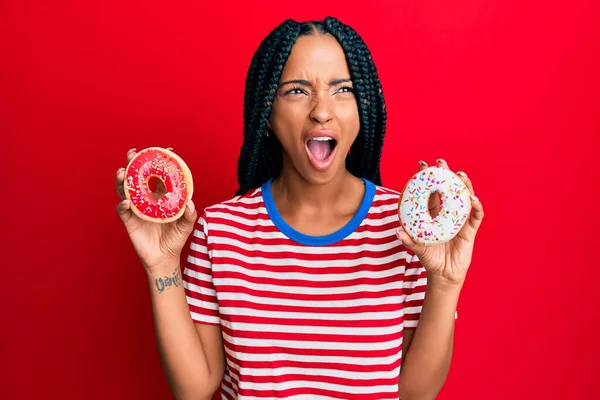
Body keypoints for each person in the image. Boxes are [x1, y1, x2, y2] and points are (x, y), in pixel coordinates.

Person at [115, 16, 484, 400]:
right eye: (296, 91)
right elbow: (193, 390)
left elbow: (414, 394)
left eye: (343, 90)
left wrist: (445, 282)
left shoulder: (407, 233)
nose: (321, 111)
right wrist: (161, 266)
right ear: (267, 114)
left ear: (364, 109)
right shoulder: (220, 231)